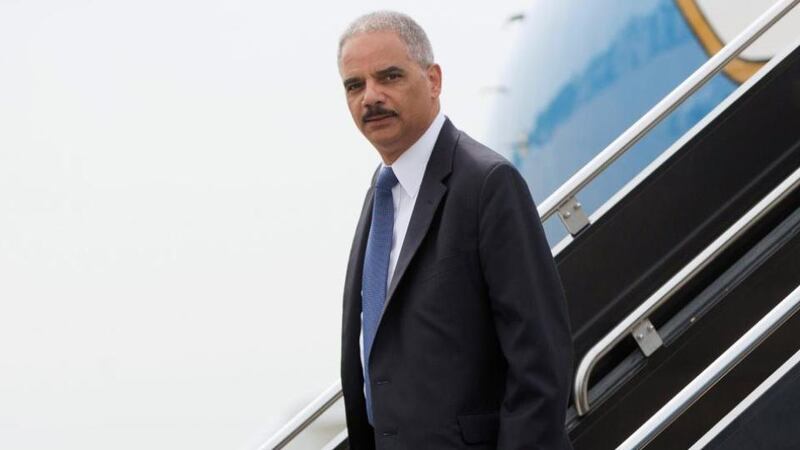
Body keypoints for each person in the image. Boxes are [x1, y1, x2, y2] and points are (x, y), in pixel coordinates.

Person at [338, 11, 574, 450]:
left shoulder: (487, 184)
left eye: (389, 76)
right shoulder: (380, 196)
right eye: (355, 85)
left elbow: (540, 360)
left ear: (433, 80)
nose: (371, 96)